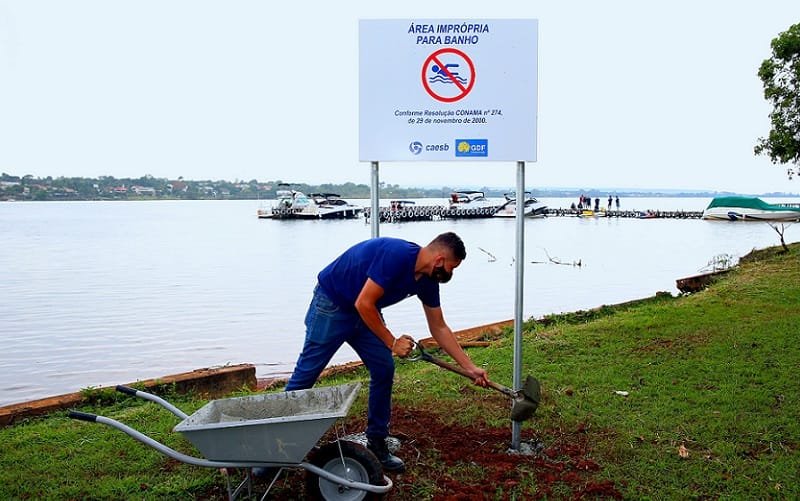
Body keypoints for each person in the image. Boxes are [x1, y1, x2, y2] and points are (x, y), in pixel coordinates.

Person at [285, 232, 489, 473]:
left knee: (383, 369)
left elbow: (439, 327)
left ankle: (377, 440)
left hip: (366, 313)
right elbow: (363, 302)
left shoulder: (427, 280)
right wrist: (392, 342)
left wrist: (469, 367)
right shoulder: (396, 256)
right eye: (451, 268)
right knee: (306, 375)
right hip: (332, 305)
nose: (450, 274)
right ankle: (275, 448)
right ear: (439, 260)